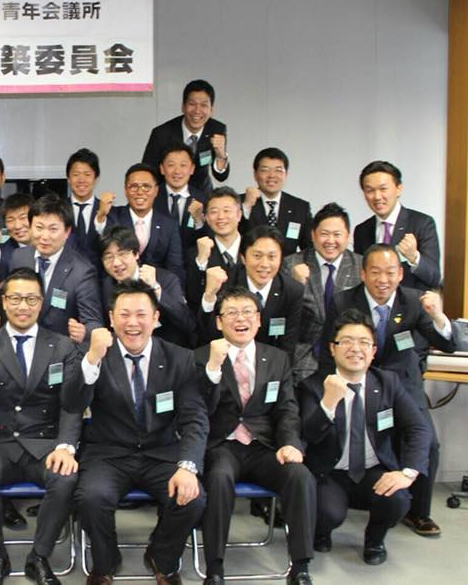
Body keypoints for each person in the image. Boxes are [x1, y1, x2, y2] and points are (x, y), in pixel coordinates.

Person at [67, 280, 208, 585]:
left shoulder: (180, 358)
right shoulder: (94, 353)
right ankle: (105, 562)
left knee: (192, 498)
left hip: (161, 452)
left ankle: (162, 558)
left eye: (141, 314)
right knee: (91, 498)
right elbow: (72, 403)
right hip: (109, 453)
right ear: (111, 318)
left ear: (156, 318)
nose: (132, 323)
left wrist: (188, 467)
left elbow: (195, 418)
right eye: (124, 314)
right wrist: (92, 359)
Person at [320, 244, 457, 538]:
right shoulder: (344, 300)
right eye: (375, 272)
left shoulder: (413, 301)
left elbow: (448, 343)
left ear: (400, 274)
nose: (383, 279)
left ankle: (418, 512)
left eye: (390, 272)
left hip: (403, 383)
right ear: (363, 274)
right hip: (357, 380)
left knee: (428, 442)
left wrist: (438, 316)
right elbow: (328, 346)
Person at [0, 268, 82, 585]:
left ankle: (39, 556)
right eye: (15, 298)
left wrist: (66, 446)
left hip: (44, 442)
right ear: (3, 302)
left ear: (41, 303)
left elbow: (71, 403)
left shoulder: (61, 346)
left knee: (66, 477)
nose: (22, 306)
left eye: (31, 299)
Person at [196, 287, 316, 585]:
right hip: (222, 445)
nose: (241, 319)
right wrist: (212, 369)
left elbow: (287, 410)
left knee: (300, 475)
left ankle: (300, 566)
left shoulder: (277, 358)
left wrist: (290, 443)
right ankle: (215, 567)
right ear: (219, 322)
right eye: (232, 313)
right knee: (219, 478)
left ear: (259, 320)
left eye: (248, 312)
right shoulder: (201, 357)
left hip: (264, 447)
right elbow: (198, 410)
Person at [299, 309, 430, 566]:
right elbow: (307, 435)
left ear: (373, 351)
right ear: (332, 348)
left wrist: (407, 472)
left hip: (372, 470)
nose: (355, 348)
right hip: (329, 473)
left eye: (363, 342)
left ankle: (375, 540)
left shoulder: (388, 382)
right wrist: (328, 403)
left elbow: (418, 428)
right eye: (346, 341)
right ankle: (321, 531)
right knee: (327, 513)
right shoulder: (313, 386)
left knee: (398, 497)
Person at [281, 203, 362, 382]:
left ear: (348, 236)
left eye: (337, 234)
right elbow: (282, 315)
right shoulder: (291, 264)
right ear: (313, 235)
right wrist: (295, 286)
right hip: (303, 358)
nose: (330, 241)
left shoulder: (361, 266)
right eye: (324, 234)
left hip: (348, 357)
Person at [199, 225, 304, 361]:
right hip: (227, 359)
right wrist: (209, 296)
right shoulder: (226, 283)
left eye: (272, 256)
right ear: (243, 257)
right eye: (257, 256)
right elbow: (209, 333)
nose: (264, 264)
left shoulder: (292, 290)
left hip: (271, 363)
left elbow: (287, 345)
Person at [9, 194, 103, 343]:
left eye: (53, 229)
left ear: (67, 232)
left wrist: (84, 332)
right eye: (39, 228)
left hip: (60, 349)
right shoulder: (19, 257)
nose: (45, 236)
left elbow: (94, 323)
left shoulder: (82, 271)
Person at [99, 226, 195, 348]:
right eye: (109, 257)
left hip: (166, 348)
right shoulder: (106, 286)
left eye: (122, 254)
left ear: (136, 254)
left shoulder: (166, 279)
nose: (116, 263)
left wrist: (155, 288)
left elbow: (187, 323)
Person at [353, 161, 441, 292]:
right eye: (370, 190)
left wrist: (414, 257)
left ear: (399, 189)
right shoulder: (362, 230)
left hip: (411, 303)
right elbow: (361, 276)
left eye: (383, 189)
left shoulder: (422, 223)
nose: (377, 196)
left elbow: (434, 277)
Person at [94, 163, 184, 285]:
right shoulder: (112, 216)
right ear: (126, 190)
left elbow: (175, 267)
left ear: (156, 190)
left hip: (156, 288)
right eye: (134, 187)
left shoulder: (169, 224)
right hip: (118, 288)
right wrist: (101, 216)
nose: (140, 192)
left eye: (146, 186)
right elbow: (99, 240)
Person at [142, 79, 229, 194]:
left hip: (201, 193)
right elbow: (147, 172)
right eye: (192, 104)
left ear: (211, 110)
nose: (197, 110)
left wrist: (220, 156)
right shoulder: (161, 133)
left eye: (204, 105)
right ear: (183, 107)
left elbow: (221, 176)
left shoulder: (216, 130)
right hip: (168, 194)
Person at [243, 148, 312, 257]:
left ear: (286, 174)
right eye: (265, 170)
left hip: (288, 267)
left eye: (278, 170)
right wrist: (246, 207)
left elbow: (310, 248)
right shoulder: (240, 203)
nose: (272, 175)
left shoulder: (300, 207)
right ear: (255, 175)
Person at [185, 187, 244, 309]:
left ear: (239, 215)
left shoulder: (252, 249)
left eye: (226, 211)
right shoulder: (195, 254)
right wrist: (201, 263)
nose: (221, 216)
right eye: (214, 212)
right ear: (206, 217)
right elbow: (193, 297)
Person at [155, 145, 208, 259]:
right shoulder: (151, 197)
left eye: (183, 165)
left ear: (192, 169)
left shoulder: (203, 199)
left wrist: (199, 221)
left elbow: (208, 238)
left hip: (191, 262)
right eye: (171, 165)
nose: (177, 171)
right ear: (162, 169)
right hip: (157, 263)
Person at [65, 148, 103, 265]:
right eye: (76, 174)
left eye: (87, 174)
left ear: (96, 178)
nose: (81, 180)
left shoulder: (107, 211)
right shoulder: (58, 210)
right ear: (68, 178)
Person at [0, 193, 34, 277]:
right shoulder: (2, 254)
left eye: (23, 218)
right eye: (10, 220)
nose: (17, 226)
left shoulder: (48, 246)